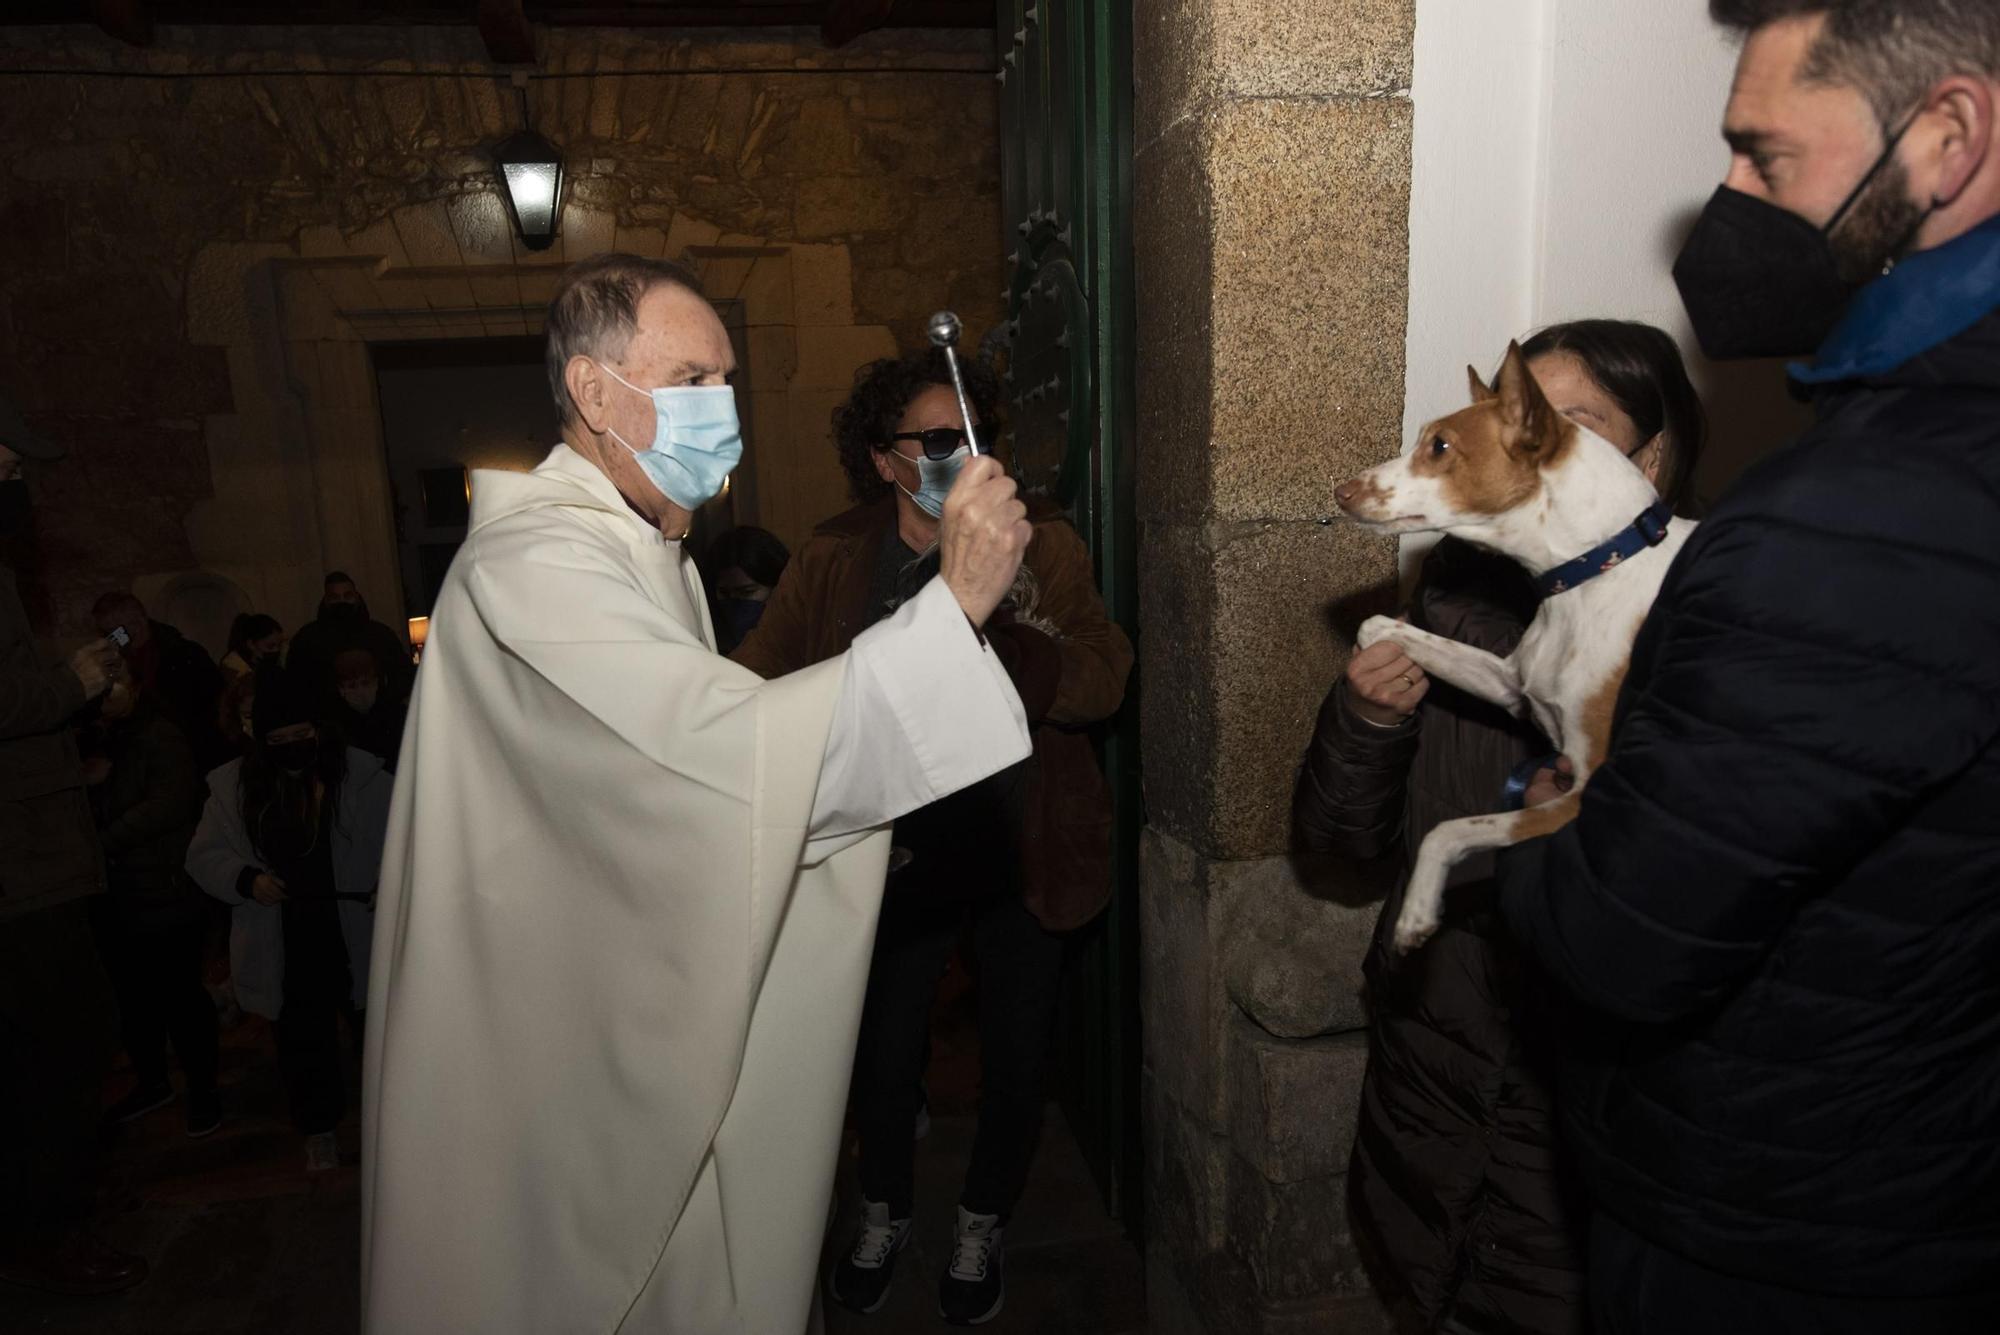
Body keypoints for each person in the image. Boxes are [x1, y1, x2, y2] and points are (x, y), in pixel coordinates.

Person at [359, 253, 1035, 1335]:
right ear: (593, 392)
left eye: (726, 381)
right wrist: (947, 608)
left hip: (612, 981)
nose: (721, 410)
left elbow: (689, 761)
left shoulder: (645, 545)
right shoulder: (532, 565)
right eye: (690, 381)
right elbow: (714, 760)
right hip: (565, 1040)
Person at [1496, 4, 2000, 1331]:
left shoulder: (1846, 522)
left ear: (1945, 136)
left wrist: (1550, 805)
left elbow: (1620, 938)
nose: (1721, 202)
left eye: (1765, 160)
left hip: (1783, 1225)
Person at [1295, 322, 1705, 1335]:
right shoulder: (1471, 606)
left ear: (1641, 459)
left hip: (1574, 1106)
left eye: (1569, 422)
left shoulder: (1703, 615)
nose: (1530, 436)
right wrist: (1364, 719)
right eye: (1523, 412)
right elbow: (1334, 842)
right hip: (1432, 1069)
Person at [733, 349, 1133, 1325]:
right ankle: (881, 1210)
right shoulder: (832, 556)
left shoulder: (1045, 546)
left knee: (1015, 1051)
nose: (959, 455)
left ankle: (981, 1219)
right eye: (933, 439)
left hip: (1019, 844)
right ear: (883, 460)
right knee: (875, 1053)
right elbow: (750, 689)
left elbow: (1105, 677)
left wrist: (1006, 640)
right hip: (884, 853)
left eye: (973, 436)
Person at [0, 396, 146, 1298]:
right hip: (20, 874)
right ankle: (49, 1243)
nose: (16, 477)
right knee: (58, 1054)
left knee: (61, 1049)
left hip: (36, 856)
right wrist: (75, 680)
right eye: (6, 461)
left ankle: (52, 1223)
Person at [185, 664, 390, 1173]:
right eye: (279, 739)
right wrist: (246, 880)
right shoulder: (233, 788)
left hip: (356, 930)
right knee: (303, 1043)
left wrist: (389, 882)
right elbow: (203, 855)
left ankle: (393, 1127)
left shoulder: (363, 776)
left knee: (381, 1037)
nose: (294, 747)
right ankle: (319, 1129)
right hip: (286, 937)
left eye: (302, 735)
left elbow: (407, 841)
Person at [82, 676, 220, 1138]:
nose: (103, 702)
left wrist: (101, 841)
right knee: (134, 999)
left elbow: (169, 804)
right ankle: (152, 1080)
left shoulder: (160, 735)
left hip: (164, 886)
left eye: (111, 690)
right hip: (117, 893)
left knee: (181, 995)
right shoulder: (96, 738)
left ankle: (205, 1089)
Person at [92, 590, 226, 770]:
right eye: (107, 633)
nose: (111, 639)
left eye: (114, 631)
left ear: (137, 621)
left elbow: (213, 705)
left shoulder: (186, 655)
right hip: (143, 758)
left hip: (188, 755)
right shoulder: (118, 662)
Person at [284, 571, 410, 706]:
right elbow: (296, 685)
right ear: (326, 600)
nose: (342, 601)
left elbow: (401, 675)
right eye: (335, 597)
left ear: (356, 597)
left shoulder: (381, 635)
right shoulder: (306, 639)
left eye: (347, 596)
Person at [702, 523, 790, 655]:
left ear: (777, 585)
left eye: (747, 592)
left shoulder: (800, 638)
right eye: (724, 593)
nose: (734, 602)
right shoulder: (707, 642)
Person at [330, 646, 407, 771]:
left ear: (377, 682)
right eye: (352, 686)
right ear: (341, 689)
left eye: (365, 683)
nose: (360, 691)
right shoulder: (335, 726)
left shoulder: (398, 715)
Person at [219, 612, 284, 685]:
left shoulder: (269, 661)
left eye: (279, 645)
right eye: (270, 646)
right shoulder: (232, 665)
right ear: (251, 644)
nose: (276, 650)